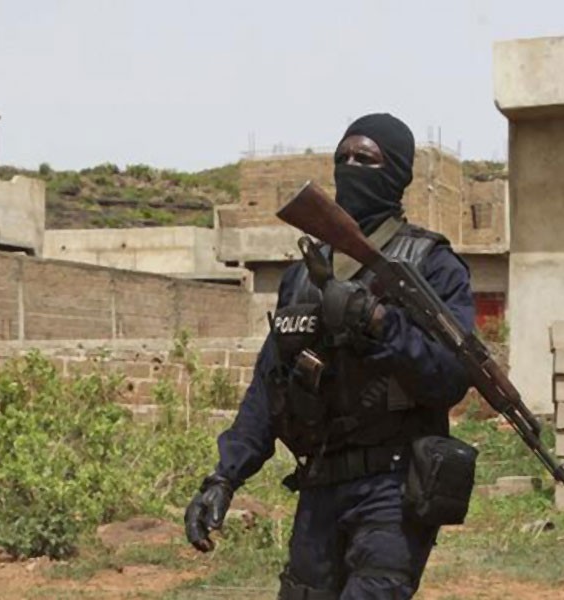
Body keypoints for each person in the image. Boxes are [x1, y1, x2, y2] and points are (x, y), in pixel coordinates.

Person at [184, 113, 475, 599]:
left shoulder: (431, 266)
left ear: (397, 172)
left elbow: (450, 377)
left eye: (367, 157)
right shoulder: (305, 274)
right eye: (343, 156)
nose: (351, 165)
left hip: (393, 487)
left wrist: (379, 322)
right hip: (319, 485)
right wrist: (223, 477)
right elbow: (268, 386)